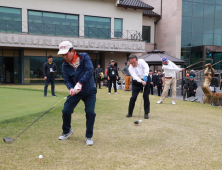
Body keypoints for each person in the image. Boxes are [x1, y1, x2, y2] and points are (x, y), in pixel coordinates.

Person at [57, 41, 96, 146]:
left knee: (90, 112)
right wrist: (70, 88)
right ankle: (67, 131)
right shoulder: (65, 65)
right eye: (62, 55)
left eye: (66, 54)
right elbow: (66, 79)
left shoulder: (84, 57)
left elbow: (89, 70)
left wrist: (80, 83)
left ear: (72, 50)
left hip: (89, 91)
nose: (64, 56)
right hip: (75, 92)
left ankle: (88, 136)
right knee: (66, 110)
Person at [126, 54, 150, 119]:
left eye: (134, 62)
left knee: (146, 96)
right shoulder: (130, 68)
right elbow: (135, 76)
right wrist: (141, 81)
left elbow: (146, 67)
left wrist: (145, 76)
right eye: (131, 63)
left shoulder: (142, 61)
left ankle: (146, 113)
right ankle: (130, 112)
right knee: (133, 97)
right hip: (137, 82)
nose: (133, 64)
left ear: (137, 60)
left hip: (146, 79)